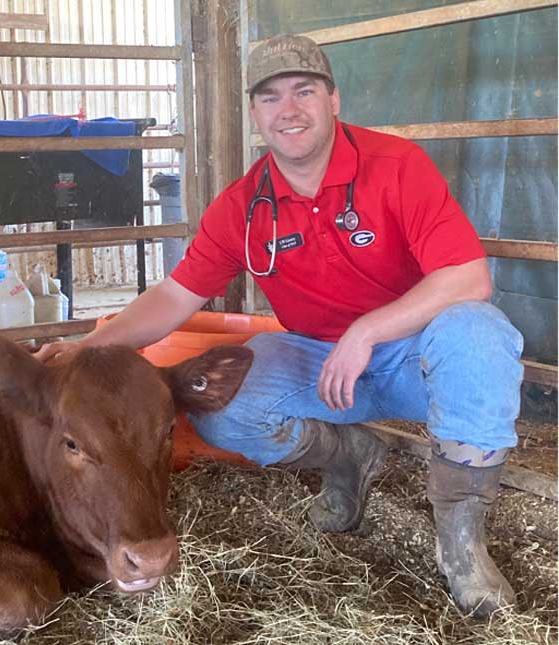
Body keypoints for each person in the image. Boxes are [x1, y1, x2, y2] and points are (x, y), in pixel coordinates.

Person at [35, 34, 524, 617]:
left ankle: (462, 549)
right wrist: (81, 350)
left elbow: (468, 278)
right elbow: (174, 295)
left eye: (304, 90)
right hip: (320, 364)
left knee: (480, 333)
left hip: (415, 356)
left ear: (334, 100)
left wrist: (366, 332)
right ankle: (346, 457)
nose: (288, 109)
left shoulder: (396, 167)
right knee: (223, 405)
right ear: (254, 113)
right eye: (270, 97)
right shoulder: (244, 205)